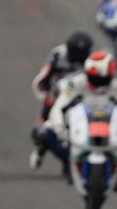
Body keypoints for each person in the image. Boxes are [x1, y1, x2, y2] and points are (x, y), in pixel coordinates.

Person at [44, 51, 117, 180]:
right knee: (43, 131)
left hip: (107, 123)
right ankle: (68, 161)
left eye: (102, 78)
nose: (99, 83)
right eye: (94, 78)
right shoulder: (76, 83)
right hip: (79, 122)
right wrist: (60, 129)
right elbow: (58, 107)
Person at [30, 31, 93, 169]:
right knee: (39, 132)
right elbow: (41, 80)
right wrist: (46, 95)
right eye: (76, 51)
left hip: (81, 98)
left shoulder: (93, 60)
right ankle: (40, 148)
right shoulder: (58, 55)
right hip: (58, 96)